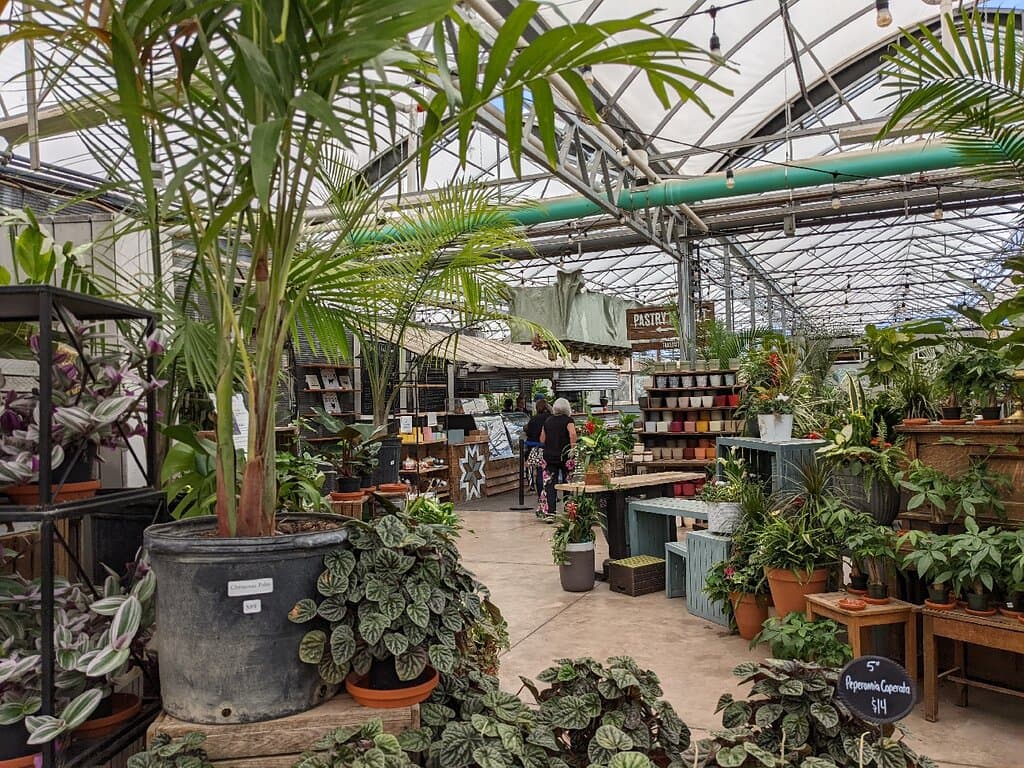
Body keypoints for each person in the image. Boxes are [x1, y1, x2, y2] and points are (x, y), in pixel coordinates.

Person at [539, 397, 577, 522]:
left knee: (550, 485)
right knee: (567, 484)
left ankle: (550, 513)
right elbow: (572, 434)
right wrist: (573, 449)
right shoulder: (568, 420)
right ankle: (568, 512)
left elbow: (542, 440)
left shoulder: (548, 421)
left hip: (549, 457)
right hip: (565, 456)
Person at [523, 397, 550, 502]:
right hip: (548, 447)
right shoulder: (550, 417)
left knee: (539, 471)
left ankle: (540, 495)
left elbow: (529, 433)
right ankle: (550, 494)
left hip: (535, 448)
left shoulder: (533, 419)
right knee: (549, 471)